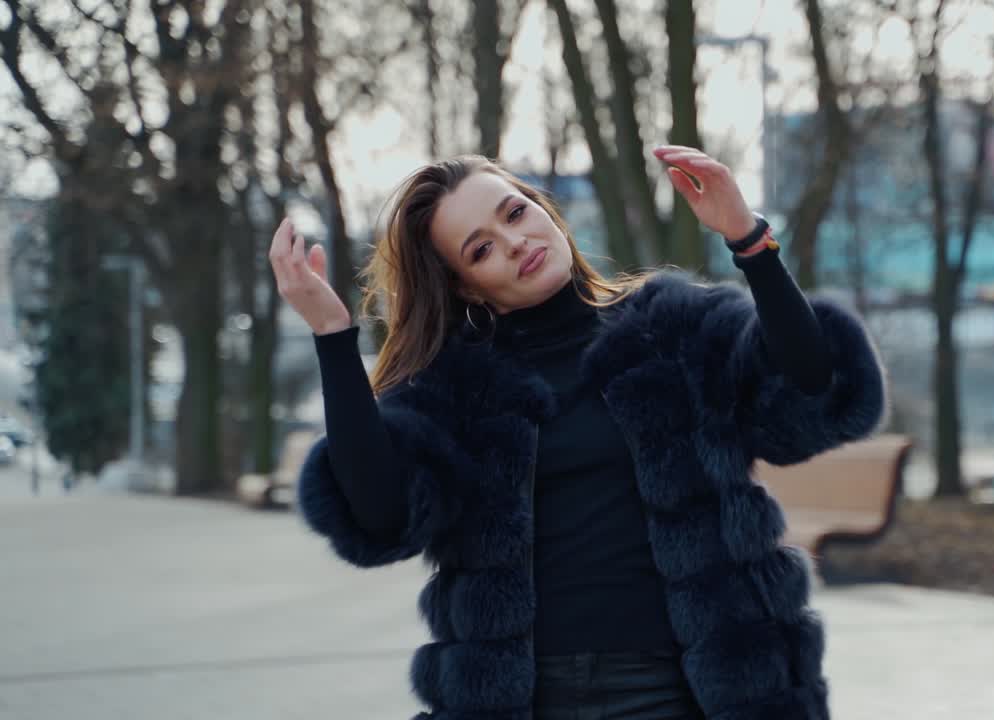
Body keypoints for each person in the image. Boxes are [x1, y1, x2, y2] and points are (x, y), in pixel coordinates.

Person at [272, 146, 886, 720]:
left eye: (516, 213)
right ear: (464, 285)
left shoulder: (672, 330)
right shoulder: (453, 390)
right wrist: (333, 337)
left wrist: (749, 242)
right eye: (481, 249)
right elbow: (379, 515)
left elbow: (814, 389)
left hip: (700, 691)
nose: (515, 242)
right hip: (528, 700)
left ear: (544, 209)